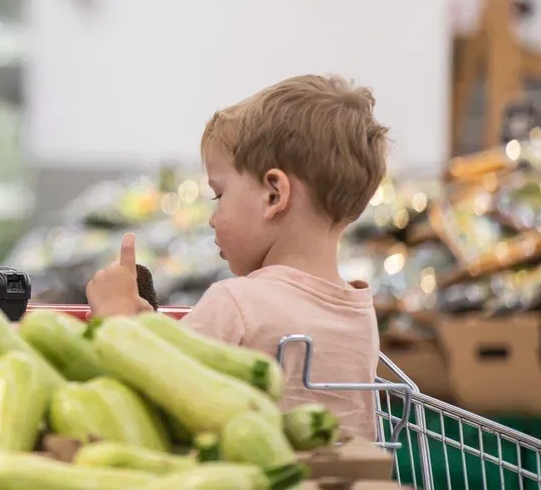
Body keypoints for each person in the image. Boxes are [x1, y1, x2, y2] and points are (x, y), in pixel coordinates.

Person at [86, 75, 387, 442]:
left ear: (274, 195)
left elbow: (152, 405)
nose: (212, 218)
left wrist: (115, 317)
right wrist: (155, 329)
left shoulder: (236, 304)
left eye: (219, 195)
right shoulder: (359, 311)